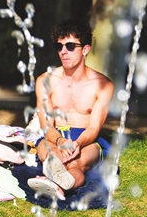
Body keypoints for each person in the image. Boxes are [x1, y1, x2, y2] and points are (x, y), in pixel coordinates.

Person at [28, 19, 115, 200]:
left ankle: (57, 185)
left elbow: (94, 128)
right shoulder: (45, 81)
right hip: (55, 135)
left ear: (85, 49)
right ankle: (57, 183)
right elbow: (45, 126)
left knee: (76, 164)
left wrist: (77, 143)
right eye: (59, 47)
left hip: (86, 138)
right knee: (51, 154)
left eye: (69, 46)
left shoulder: (103, 85)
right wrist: (60, 141)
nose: (63, 52)